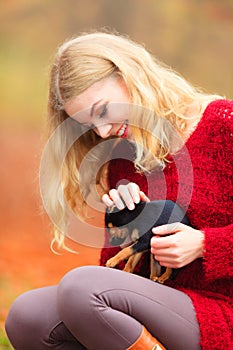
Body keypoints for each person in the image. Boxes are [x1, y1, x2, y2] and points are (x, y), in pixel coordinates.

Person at [5, 31, 233, 350]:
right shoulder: (124, 156)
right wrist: (129, 223)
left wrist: (206, 244)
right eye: (87, 124)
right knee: (27, 316)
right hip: (169, 308)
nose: (101, 131)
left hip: (221, 313)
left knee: (79, 287)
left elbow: (93, 292)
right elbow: (117, 280)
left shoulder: (224, 123)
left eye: (101, 110)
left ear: (129, 75)